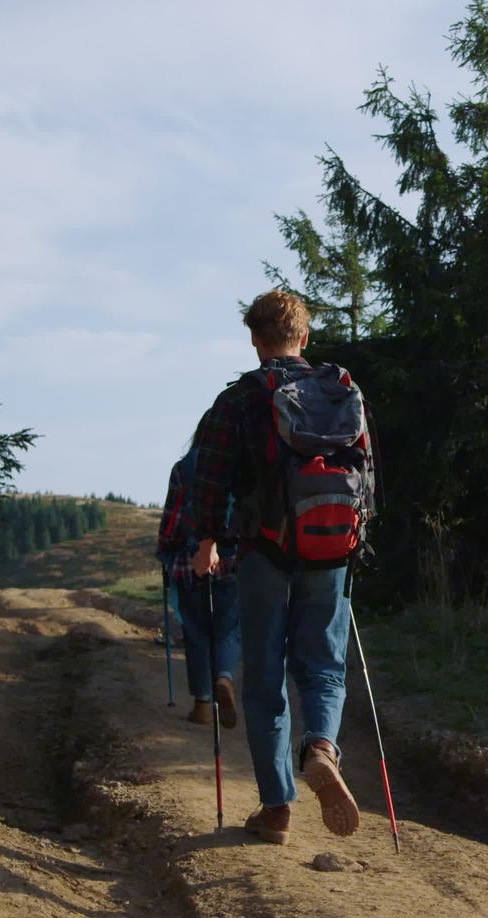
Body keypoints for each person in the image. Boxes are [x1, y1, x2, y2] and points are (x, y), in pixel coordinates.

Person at [187, 290, 374, 843]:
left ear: (254, 339)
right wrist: (356, 541)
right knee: (324, 664)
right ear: (305, 337)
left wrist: (205, 541)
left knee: (266, 677)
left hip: (263, 550)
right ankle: (321, 747)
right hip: (332, 548)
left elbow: (210, 477)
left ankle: (276, 810)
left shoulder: (240, 400)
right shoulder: (343, 389)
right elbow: (367, 471)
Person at [155, 446, 239, 727]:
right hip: (232, 561)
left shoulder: (184, 468)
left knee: (196, 631)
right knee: (227, 629)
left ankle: (203, 704)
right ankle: (224, 676)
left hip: (190, 561)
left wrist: (166, 550)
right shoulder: (242, 462)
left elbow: (173, 518)